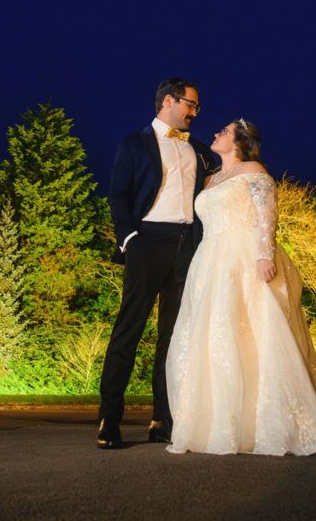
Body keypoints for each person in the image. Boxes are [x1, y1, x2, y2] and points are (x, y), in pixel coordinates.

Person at [165, 118, 316, 455]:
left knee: (254, 333)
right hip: (211, 261)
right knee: (214, 335)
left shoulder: (253, 169)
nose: (216, 133)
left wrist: (263, 254)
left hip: (244, 256)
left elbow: (267, 214)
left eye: (225, 132)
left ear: (241, 142)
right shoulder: (210, 178)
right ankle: (218, 426)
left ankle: (270, 424)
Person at [96, 78, 218, 449]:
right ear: (169, 101)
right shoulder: (133, 145)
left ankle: (162, 420)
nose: (195, 112)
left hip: (187, 247)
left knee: (173, 337)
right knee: (127, 331)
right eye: (191, 105)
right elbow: (118, 196)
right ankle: (108, 420)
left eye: (197, 107)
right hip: (146, 242)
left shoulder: (199, 151)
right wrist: (130, 240)